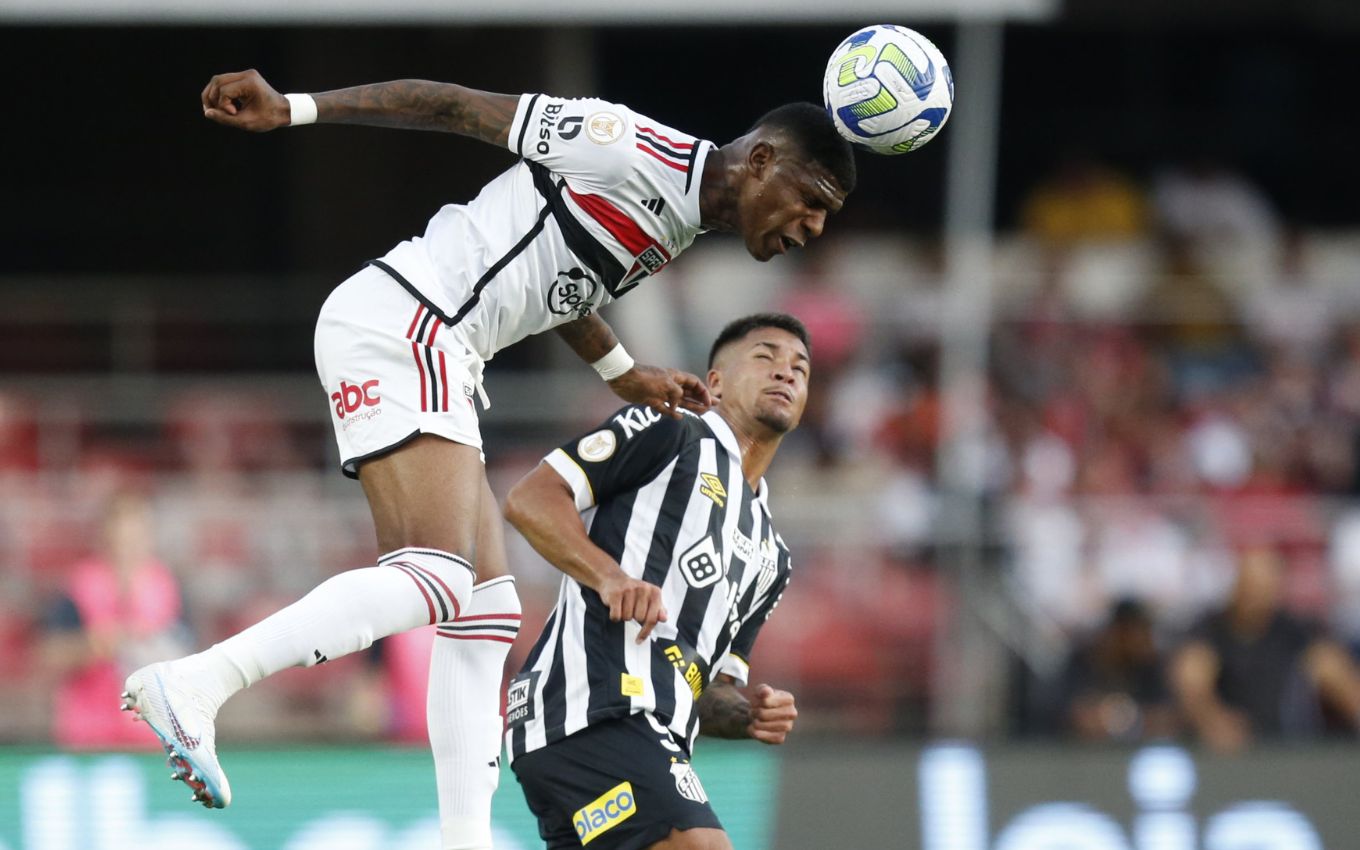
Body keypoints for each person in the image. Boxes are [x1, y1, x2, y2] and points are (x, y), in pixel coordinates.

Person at [119, 65, 853, 848]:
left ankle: (461, 838)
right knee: (437, 576)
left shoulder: (678, 220)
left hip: (445, 348)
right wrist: (296, 109)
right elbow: (453, 106)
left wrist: (621, 371)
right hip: (410, 320)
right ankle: (197, 682)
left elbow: (560, 283)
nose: (810, 227)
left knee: (486, 609)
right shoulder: (628, 147)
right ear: (765, 160)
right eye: (811, 200)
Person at [501, 314, 807, 849]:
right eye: (765, 357)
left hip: (652, 733)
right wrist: (611, 577)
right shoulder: (673, 432)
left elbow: (709, 690)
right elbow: (531, 498)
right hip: (591, 708)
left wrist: (749, 713)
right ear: (714, 383)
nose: (785, 373)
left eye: (800, 369)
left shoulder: (772, 558)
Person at [1170, 545, 1360, 753]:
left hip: (1286, 746)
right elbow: (1191, 678)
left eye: (1264, 586)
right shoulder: (1210, 628)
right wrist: (1212, 719)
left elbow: (1333, 671)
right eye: (1250, 584)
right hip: (1230, 751)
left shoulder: (1294, 631)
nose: (1256, 594)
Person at [41, 491, 193, 749]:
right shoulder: (80, 585)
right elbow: (49, 654)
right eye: (121, 539)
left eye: (135, 538)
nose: (128, 548)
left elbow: (188, 654)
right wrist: (92, 647)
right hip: (90, 732)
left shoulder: (167, 586)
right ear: (105, 538)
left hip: (153, 734)